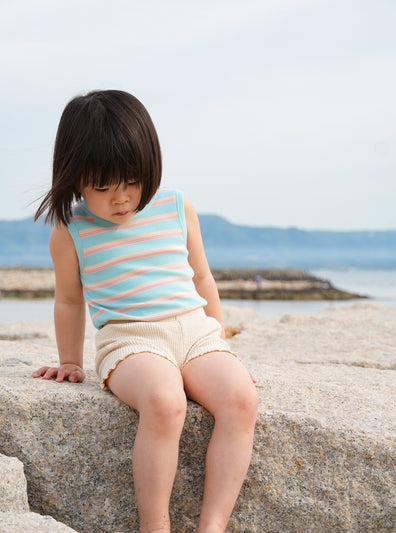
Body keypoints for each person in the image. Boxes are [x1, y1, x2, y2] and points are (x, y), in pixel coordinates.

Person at [32, 90, 258, 533]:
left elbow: (202, 278)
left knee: (242, 400)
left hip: (195, 332)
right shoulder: (71, 230)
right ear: (74, 177)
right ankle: (154, 526)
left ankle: (212, 526)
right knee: (164, 402)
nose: (121, 199)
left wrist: (219, 340)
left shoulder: (175, 205)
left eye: (132, 181)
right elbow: (69, 300)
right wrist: (71, 362)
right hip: (130, 339)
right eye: (103, 187)